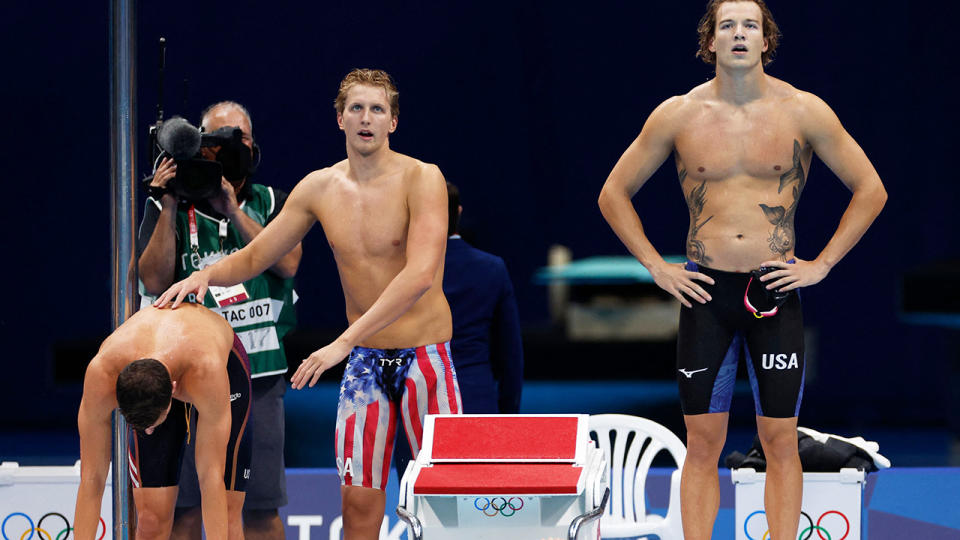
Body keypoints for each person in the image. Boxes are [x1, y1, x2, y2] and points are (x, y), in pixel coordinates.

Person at [597, 2, 887, 539]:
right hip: (706, 294)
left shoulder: (804, 111)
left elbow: (872, 190)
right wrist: (657, 268)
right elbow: (613, 193)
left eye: (749, 25)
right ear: (710, 41)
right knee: (702, 443)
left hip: (773, 290)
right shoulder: (677, 114)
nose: (738, 34)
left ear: (765, 41)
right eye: (726, 25)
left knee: (780, 439)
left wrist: (821, 265)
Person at [154, 68, 461, 540]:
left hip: (426, 362)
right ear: (339, 118)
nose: (366, 118)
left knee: (444, 498)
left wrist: (341, 343)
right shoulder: (319, 188)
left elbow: (418, 276)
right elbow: (258, 254)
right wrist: (205, 274)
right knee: (358, 506)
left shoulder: (423, 179)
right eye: (356, 108)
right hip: (366, 367)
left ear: (393, 122)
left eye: (377, 109)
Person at [138, 100, 301, 539]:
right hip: (190, 380)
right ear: (200, 146)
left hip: (260, 376)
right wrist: (168, 204)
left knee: (260, 510)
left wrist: (232, 209)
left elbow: (287, 263)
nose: (232, 148)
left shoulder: (271, 201)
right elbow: (152, 279)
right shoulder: (173, 203)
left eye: (241, 138)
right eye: (219, 139)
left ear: (254, 146)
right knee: (188, 511)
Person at [74, 303, 250, 540]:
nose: (148, 432)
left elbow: (210, 476)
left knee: (227, 516)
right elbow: (92, 479)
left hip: (218, 359)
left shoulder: (206, 370)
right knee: (151, 521)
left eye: (153, 424)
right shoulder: (101, 373)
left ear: (174, 392)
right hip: (159, 364)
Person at [393, 181, 524, 478]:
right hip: (477, 405)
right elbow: (510, 356)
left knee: (418, 511)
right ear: (459, 213)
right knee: (480, 510)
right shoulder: (492, 268)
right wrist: (508, 416)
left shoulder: (401, 272)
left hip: (416, 410)